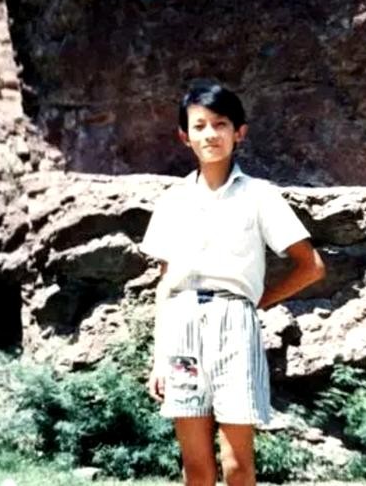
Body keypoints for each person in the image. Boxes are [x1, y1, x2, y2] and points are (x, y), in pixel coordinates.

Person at [139, 80, 325, 486]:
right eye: (200, 126)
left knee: (237, 463)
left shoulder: (259, 196)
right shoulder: (172, 201)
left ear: (239, 132)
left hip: (234, 328)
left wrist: (258, 301)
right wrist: (159, 357)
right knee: (196, 466)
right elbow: (165, 283)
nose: (210, 134)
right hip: (182, 329)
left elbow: (310, 266)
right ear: (184, 137)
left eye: (220, 124)